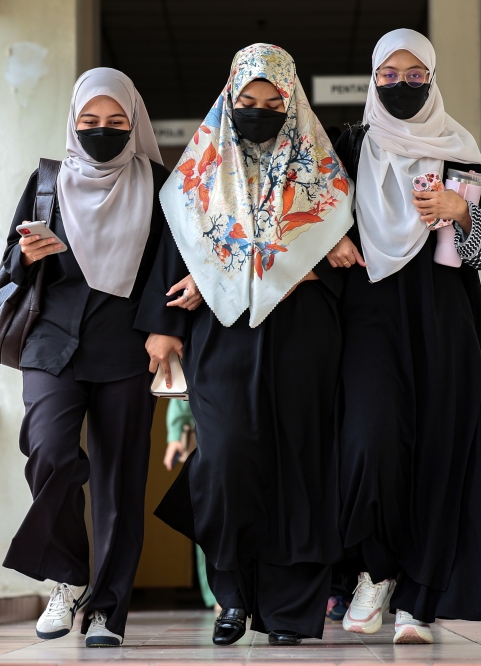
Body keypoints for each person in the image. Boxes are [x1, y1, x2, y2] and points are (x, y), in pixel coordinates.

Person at [135, 43, 353, 646]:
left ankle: (291, 612)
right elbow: (172, 253)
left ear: (293, 103)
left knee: (299, 467)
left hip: (303, 338)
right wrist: (165, 325)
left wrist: (268, 268)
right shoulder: (196, 175)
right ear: (229, 100)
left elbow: (346, 265)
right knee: (227, 462)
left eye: (272, 102)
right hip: (223, 341)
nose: (258, 110)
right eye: (247, 101)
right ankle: (231, 598)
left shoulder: (326, 176)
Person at [326, 29, 481, 644]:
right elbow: (305, 213)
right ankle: (374, 570)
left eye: (415, 76)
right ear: (373, 79)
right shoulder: (348, 149)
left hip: (445, 319)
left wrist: (462, 214)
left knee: (440, 449)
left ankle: (418, 599)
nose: (401, 87)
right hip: (369, 315)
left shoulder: (460, 152)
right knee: (370, 440)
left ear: (432, 81)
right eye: (389, 75)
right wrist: (333, 238)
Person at [0, 68, 169, 648]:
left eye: (116, 122)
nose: (102, 131)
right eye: (90, 122)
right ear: (74, 124)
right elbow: (12, 259)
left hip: (127, 346)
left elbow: (171, 265)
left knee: (121, 482)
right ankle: (67, 579)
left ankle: (108, 610)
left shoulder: (158, 184)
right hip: (52, 344)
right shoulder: (47, 181)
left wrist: (162, 329)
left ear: (134, 123)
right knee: (48, 452)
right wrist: (29, 253)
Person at [163, 400, 220, 612]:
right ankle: (218, 593)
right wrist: (176, 436)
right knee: (208, 519)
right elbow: (182, 394)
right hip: (207, 445)